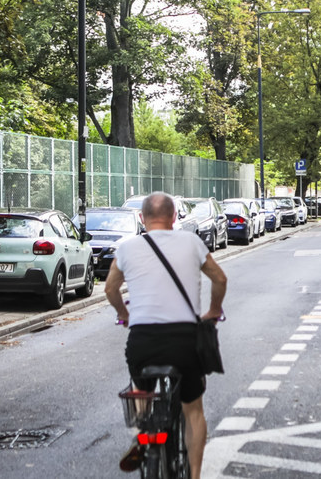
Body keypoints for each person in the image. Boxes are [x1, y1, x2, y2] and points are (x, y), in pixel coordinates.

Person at [105, 192, 227, 479]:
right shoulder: (192, 242)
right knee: (193, 410)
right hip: (185, 341)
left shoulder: (127, 247)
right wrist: (213, 310)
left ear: (141, 218)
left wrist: (124, 315)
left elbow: (110, 289)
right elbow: (220, 279)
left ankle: (144, 430)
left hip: (143, 341)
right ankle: (194, 475)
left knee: (141, 389)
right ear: (174, 217)